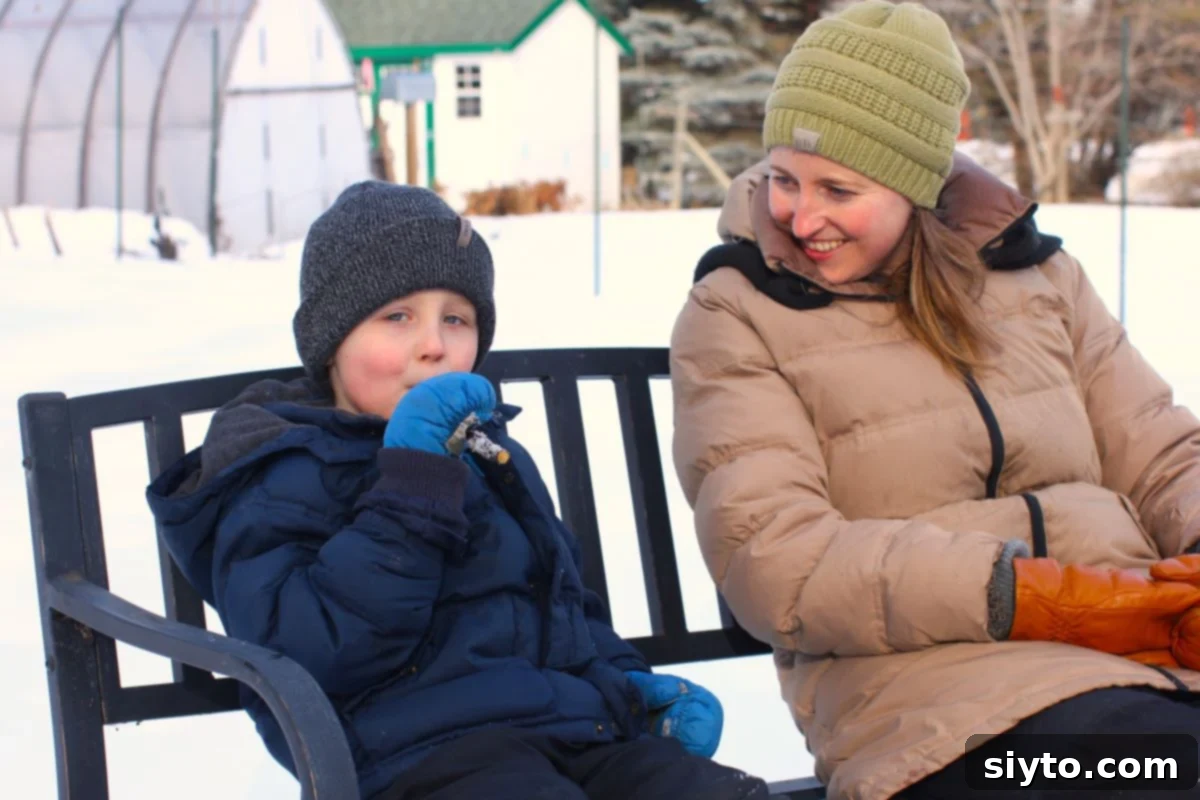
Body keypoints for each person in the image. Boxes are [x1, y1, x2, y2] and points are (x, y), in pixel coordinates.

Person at [667, 2, 1200, 798]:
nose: (801, 216)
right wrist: (1039, 600)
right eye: (783, 179)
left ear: (918, 183)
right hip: (939, 702)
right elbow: (776, 559)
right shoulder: (739, 310)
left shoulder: (1040, 280)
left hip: (1142, 656)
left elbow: (1158, 450)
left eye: (837, 190)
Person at [147, 182, 769, 800]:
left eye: (456, 318)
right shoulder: (278, 466)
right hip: (417, 759)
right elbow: (309, 652)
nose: (434, 345)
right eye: (397, 317)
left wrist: (627, 685)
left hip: (570, 735)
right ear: (332, 340)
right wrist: (413, 484)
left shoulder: (487, 451)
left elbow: (558, 599)